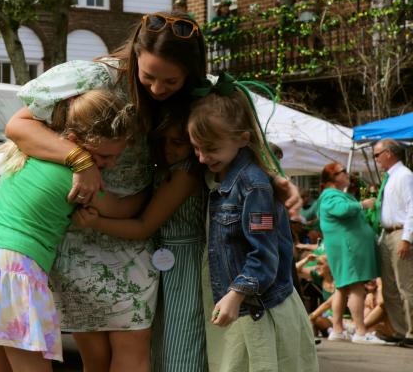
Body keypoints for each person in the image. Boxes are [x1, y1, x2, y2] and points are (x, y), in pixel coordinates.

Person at [6, 12, 208, 372]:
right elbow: (18, 126)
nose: (158, 89)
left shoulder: (194, 97)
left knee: (134, 352)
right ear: (135, 54)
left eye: (171, 81)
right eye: (148, 76)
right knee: (95, 359)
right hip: (81, 232)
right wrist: (81, 162)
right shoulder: (96, 77)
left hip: (131, 237)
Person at [0, 87, 133, 370]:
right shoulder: (78, 179)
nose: (109, 165)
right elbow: (122, 209)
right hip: (14, 269)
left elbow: (27, 110)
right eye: (103, 157)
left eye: (116, 157)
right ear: (73, 141)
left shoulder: (31, 148)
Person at [189, 83, 317, 371]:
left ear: (243, 138)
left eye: (210, 149)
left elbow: (265, 254)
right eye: (196, 148)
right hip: (238, 306)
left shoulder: (254, 186)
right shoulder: (218, 176)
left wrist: (237, 294)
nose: (202, 157)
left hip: (255, 306)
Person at [74, 112, 208, 372]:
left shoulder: (186, 173)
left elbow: (144, 225)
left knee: (180, 342)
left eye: (178, 142)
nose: (168, 149)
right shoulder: (164, 170)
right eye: (163, 141)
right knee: (159, 344)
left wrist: (96, 223)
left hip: (182, 264)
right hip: (163, 261)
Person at [316, 162, 386, 344]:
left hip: (346, 248)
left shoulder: (332, 195)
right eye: (343, 172)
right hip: (348, 249)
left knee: (342, 287)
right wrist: (363, 204)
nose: (347, 174)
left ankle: (338, 330)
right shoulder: (330, 195)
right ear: (332, 177)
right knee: (355, 286)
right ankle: (361, 332)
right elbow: (342, 210)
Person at [362, 139, 413, 347]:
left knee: (405, 285)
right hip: (388, 234)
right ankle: (401, 330)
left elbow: (412, 208)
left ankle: (411, 331)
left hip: (400, 233)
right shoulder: (391, 177)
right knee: (390, 287)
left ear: (389, 153)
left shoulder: (405, 176)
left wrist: (407, 238)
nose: (375, 159)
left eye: (377, 155)